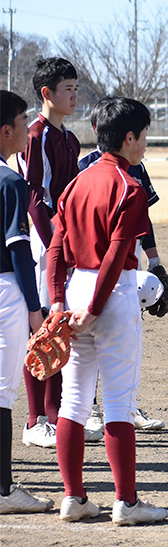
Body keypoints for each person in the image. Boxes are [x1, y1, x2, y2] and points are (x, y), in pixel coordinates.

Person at [47, 96, 168, 525]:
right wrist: (97, 308)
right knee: (118, 402)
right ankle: (127, 503)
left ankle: (73, 497)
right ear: (129, 137)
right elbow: (118, 252)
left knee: (74, 400)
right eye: (144, 135)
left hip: (76, 286)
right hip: (111, 293)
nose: (145, 144)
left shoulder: (77, 182)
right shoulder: (129, 184)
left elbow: (57, 248)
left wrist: (58, 301)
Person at [79, 98, 168, 436]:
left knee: (127, 341)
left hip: (127, 262)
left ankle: (126, 406)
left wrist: (155, 260)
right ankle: (91, 410)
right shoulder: (85, 166)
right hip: (96, 263)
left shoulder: (137, 167)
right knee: (94, 346)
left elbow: (143, 218)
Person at [19, 58, 81, 450]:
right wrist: (56, 242)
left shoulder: (70, 138)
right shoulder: (36, 134)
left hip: (65, 239)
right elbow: (34, 197)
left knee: (60, 324)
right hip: (43, 241)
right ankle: (35, 419)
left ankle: (57, 414)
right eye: (68, 89)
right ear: (47, 93)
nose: (75, 95)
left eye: (77, 88)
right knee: (42, 328)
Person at [0, 90, 53, 514]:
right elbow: (20, 251)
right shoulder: (11, 181)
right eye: (22, 120)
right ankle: (3, 491)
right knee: (2, 393)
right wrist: (36, 309)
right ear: (6, 131)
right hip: (5, 293)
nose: (26, 126)